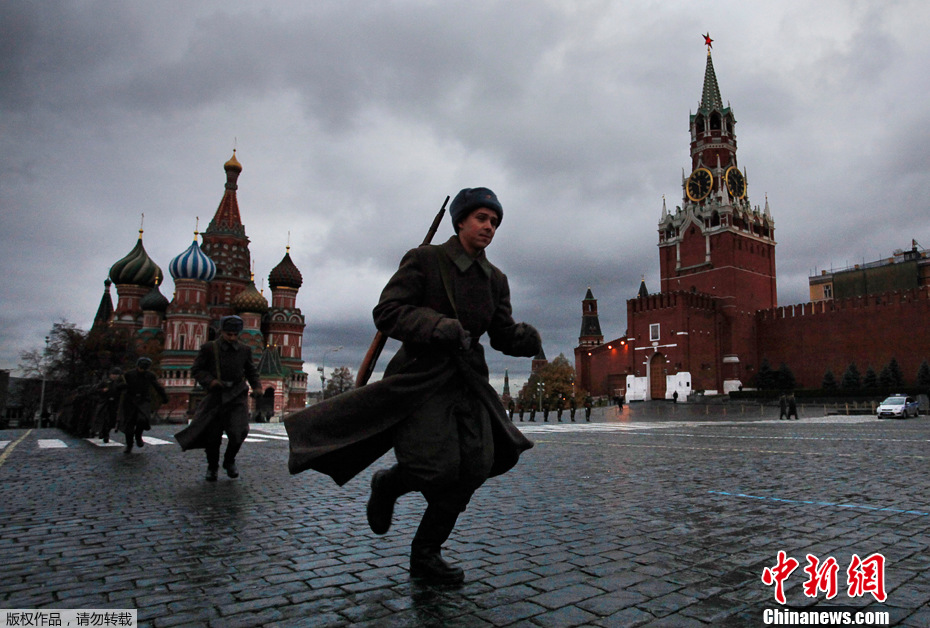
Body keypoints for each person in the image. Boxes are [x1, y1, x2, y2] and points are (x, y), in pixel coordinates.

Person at [284, 187, 541, 585]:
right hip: (421, 381)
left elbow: (501, 333)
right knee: (433, 467)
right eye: (481, 218)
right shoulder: (425, 260)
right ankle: (388, 484)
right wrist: (437, 326)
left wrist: (524, 338)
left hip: (469, 383)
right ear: (460, 221)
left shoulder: (495, 279)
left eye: (494, 221)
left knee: (474, 467)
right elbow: (387, 312)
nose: (489, 227)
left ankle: (426, 555)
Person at [175, 315, 262, 481]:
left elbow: (251, 370)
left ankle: (229, 461)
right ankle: (212, 467)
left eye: (235, 334)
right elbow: (197, 369)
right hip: (217, 396)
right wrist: (211, 381)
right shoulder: (209, 348)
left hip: (237, 395)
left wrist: (257, 386)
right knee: (213, 436)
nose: (232, 337)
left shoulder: (244, 350)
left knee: (240, 431)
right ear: (222, 331)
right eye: (229, 334)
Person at [118, 358, 168, 453]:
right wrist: (121, 387)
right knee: (129, 424)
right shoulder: (129, 375)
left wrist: (164, 397)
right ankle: (129, 445)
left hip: (143, 400)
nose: (142, 370)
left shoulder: (150, 375)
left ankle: (138, 435)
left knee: (142, 419)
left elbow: (157, 386)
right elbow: (120, 385)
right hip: (130, 401)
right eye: (141, 368)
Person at [92, 367, 123, 443]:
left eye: (116, 374)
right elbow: (95, 390)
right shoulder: (105, 382)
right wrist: (102, 390)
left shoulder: (120, 383)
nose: (114, 376)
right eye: (113, 374)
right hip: (105, 402)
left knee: (112, 420)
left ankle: (106, 432)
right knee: (103, 418)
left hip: (115, 403)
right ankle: (102, 432)